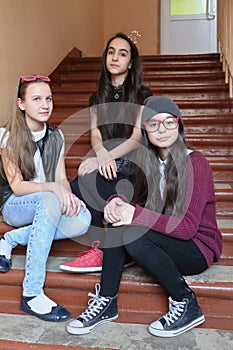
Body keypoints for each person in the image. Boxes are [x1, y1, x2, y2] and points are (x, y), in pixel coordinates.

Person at [66, 96, 222, 337]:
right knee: (121, 225)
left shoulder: (195, 163)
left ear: (179, 125)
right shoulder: (146, 163)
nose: (162, 130)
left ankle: (186, 301)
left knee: (135, 237)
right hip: (166, 239)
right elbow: (138, 203)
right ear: (145, 130)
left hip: (196, 247)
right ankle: (106, 300)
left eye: (169, 122)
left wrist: (134, 213)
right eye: (153, 124)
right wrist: (116, 202)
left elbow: (188, 228)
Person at [0, 75, 91, 322]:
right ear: (21, 104)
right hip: (16, 205)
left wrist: (68, 197)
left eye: (48, 98)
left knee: (83, 218)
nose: (45, 104)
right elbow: (17, 186)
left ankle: (9, 239)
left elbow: (61, 178)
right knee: (50, 199)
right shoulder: (7, 136)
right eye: (37, 99)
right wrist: (53, 190)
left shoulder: (56, 136)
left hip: (46, 204)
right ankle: (31, 293)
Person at [59, 32, 152, 273]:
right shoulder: (96, 97)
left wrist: (107, 157)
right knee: (78, 184)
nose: (115, 57)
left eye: (122, 54)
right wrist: (99, 154)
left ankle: (107, 248)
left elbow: (136, 138)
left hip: (133, 162)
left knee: (93, 181)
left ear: (131, 63)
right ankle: (103, 247)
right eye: (111, 52)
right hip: (108, 159)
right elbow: (96, 135)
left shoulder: (143, 95)